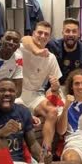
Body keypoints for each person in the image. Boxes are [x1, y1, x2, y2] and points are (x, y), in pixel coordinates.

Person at [22, 18, 82, 100]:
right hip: (54, 87)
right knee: (52, 107)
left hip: (75, 88)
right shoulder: (52, 45)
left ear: (79, 34)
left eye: (74, 31)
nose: (70, 34)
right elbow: (25, 39)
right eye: (67, 31)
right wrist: (36, 51)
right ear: (62, 32)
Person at [19, 21, 62, 154]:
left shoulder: (51, 58)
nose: (42, 36)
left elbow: (56, 86)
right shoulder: (22, 48)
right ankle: (23, 155)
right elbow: (24, 39)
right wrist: (37, 51)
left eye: (46, 34)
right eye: (39, 32)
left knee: (53, 111)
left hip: (35, 95)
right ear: (33, 34)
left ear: (49, 38)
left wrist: (55, 86)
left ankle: (46, 151)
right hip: (17, 95)